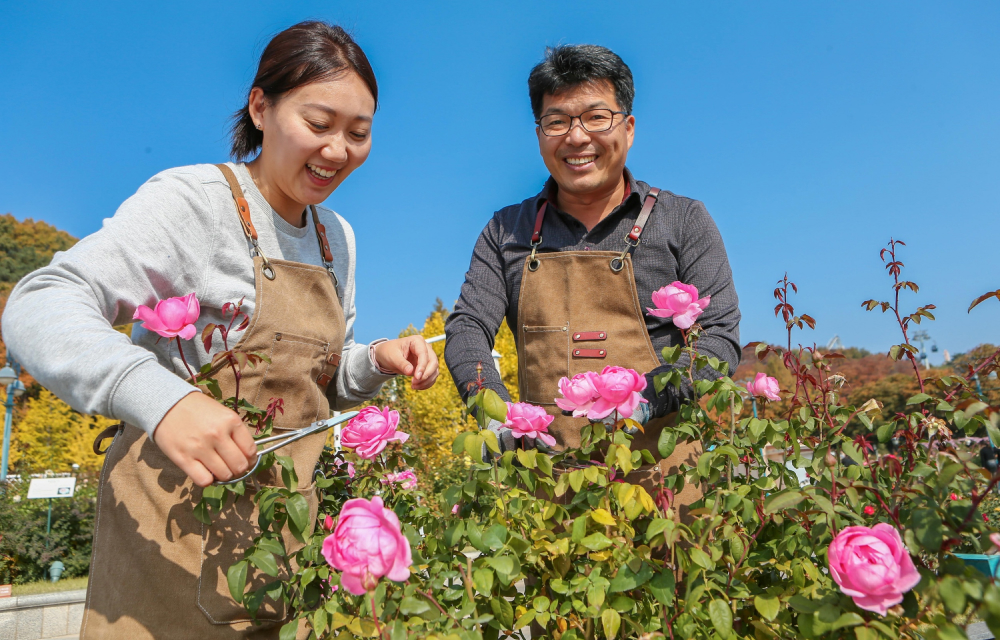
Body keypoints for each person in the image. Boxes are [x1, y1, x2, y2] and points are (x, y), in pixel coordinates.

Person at [1, 21, 437, 639]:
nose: (338, 150)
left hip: (286, 549)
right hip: (168, 547)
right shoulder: (194, 202)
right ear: (261, 106)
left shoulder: (336, 238)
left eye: (358, 134)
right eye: (319, 124)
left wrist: (374, 361)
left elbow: (313, 387)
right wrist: (164, 400)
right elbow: (38, 301)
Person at [444, 44, 740, 514]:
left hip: (665, 480)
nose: (576, 137)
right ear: (539, 134)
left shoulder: (683, 220)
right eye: (557, 121)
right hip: (548, 486)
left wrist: (648, 400)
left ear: (628, 127)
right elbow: (466, 328)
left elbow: (719, 339)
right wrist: (497, 413)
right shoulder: (507, 229)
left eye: (596, 117)